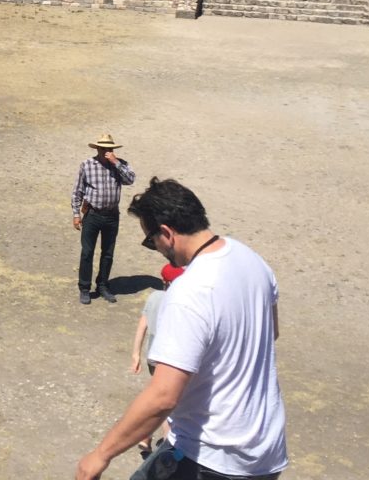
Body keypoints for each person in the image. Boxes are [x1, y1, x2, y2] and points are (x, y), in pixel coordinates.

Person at [76, 177, 287, 480]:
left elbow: (163, 396)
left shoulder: (189, 290)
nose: (157, 250)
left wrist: (100, 455)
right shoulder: (253, 261)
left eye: (152, 241)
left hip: (212, 457)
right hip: (266, 453)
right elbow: (272, 332)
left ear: (167, 233)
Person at [71, 135, 136, 304]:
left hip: (112, 216)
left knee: (108, 253)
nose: (107, 152)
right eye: (104, 149)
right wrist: (76, 215)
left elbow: (130, 179)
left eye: (110, 149)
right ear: (97, 149)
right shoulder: (87, 165)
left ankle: (103, 285)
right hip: (92, 215)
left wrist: (116, 163)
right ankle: (84, 287)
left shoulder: (120, 165)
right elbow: (77, 191)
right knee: (87, 252)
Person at [130, 263, 185, 458]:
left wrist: (136, 354)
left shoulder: (154, 297)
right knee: (170, 405)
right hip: (170, 361)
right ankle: (170, 447)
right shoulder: (181, 304)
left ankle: (145, 437)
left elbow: (141, 327)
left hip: (152, 358)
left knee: (156, 395)